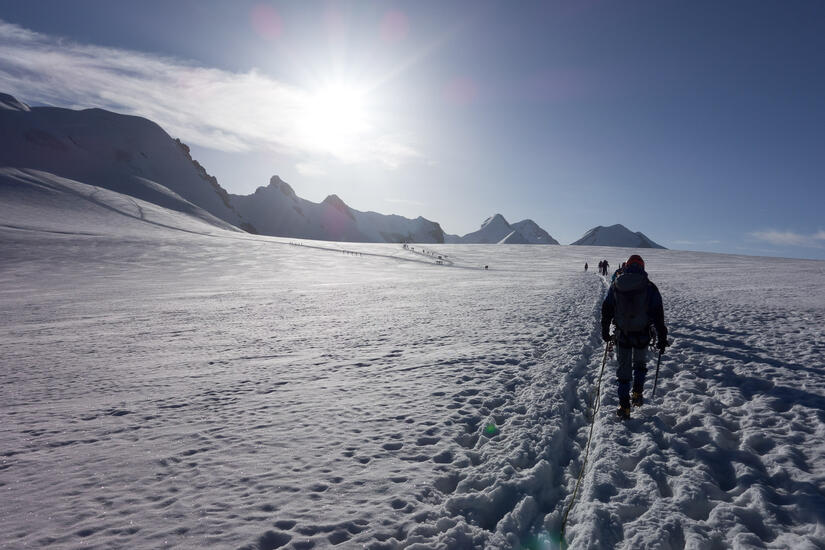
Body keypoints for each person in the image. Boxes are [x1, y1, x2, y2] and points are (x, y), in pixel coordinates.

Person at [601, 254, 668, 419]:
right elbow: (658, 315)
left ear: (627, 266)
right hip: (643, 334)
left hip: (622, 334)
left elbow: (607, 308)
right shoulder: (649, 287)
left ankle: (624, 407)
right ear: (642, 267)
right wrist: (662, 337)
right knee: (639, 364)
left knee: (623, 370)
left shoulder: (616, 284)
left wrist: (604, 330)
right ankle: (637, 393)